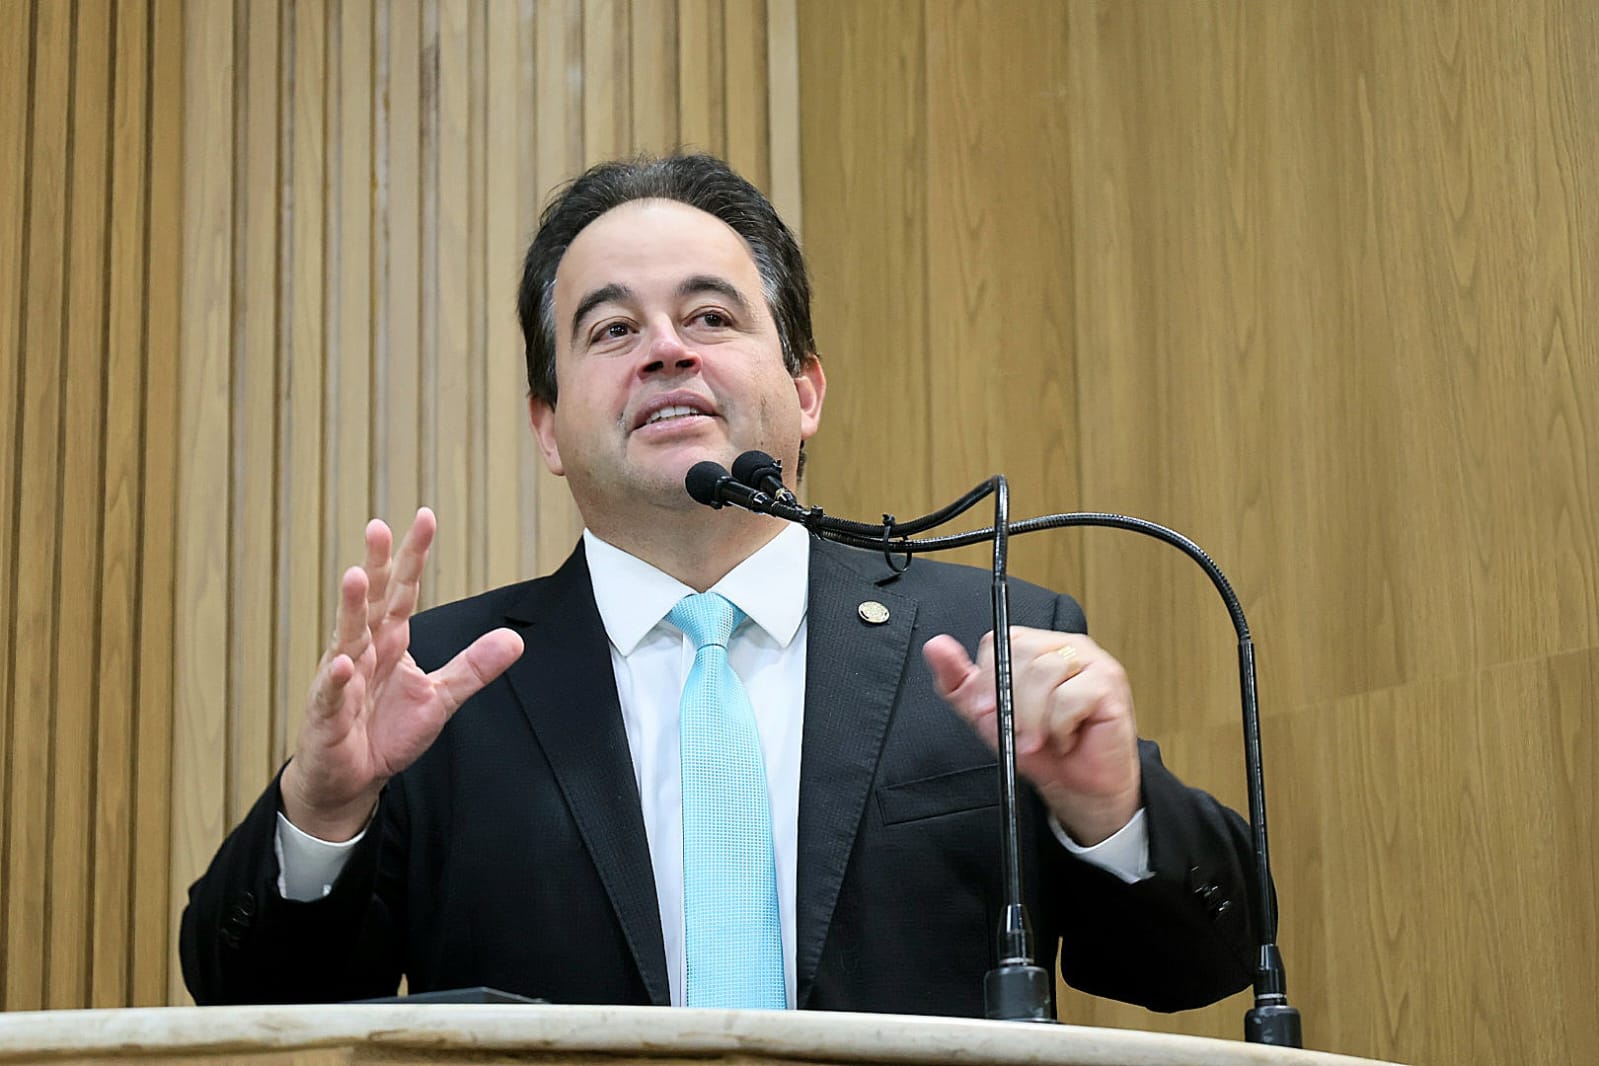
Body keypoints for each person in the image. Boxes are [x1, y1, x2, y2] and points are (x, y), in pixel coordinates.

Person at [181, 154, 1258, 1017]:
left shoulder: (990, 640)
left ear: (805, 390)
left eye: (709, 317)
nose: (665, 351)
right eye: (612, 330)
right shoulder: (440, 689)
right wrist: (325, 809)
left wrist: (1107, 807)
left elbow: (1197, 966)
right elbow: (253, 1002)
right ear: (548, 428)